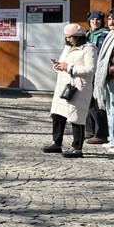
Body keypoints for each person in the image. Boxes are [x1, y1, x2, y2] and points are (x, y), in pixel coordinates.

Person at [43, 23, 97, 158]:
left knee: (76, 116)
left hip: (79, 87)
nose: (68, 39)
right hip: (64, 85)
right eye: (66, 37)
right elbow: (64, 64)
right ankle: (56, 143)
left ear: (78, 36)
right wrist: (58, 66)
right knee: (57, 114)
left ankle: (77, 148)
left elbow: (90, 69)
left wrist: (69, 67)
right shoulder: (68, 48)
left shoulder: (89, 48)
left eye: (70, 37)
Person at [85, 10, 110, 143]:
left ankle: (101, 134)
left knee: (98, 102)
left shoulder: (105, 34)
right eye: (92, 20)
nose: (95, 22)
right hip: (87, 72)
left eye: (98, 20)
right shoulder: (86, 34)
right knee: (87, 101)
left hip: (99, 72)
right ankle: (90, 131)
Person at [92, 9, 114, 148]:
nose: (112, 21)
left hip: (112, 76)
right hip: (107, 77)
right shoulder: (110, 36)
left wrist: (110, 69)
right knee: (109, 109)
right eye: (110, 19)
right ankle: (112, 140)